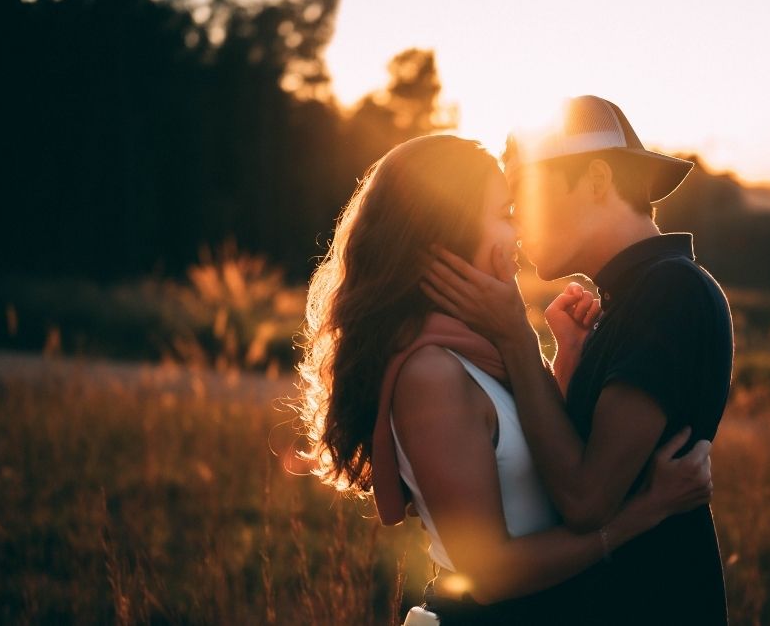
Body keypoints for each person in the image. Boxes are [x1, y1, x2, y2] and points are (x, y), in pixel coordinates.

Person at [296, 134, 714, 625]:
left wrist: (564, 362)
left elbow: (527, 463)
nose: (518, 230)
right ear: (449, 226)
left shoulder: (481, 353)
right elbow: (490, 575)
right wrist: (644, 511)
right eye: (504, 212)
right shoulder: (430, 374)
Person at [422, 95, 735, 624]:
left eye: (527, 190)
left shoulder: (668, 293)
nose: (517, 219)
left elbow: (586, 500)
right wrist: (564, 361)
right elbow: (571, 459)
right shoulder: (632, 299)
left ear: (594, 180)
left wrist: (515, 337)